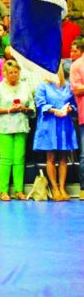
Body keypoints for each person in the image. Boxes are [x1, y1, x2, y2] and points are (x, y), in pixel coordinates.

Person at [0, 59, 35, 201]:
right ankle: (3, 191)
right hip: (4, 127)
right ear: (5, 73)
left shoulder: (25, 87)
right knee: (6, 158)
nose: (14, 75)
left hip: (21, 125)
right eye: (11, 73)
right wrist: (9, 110)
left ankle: (19, 190)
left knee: (19, 158)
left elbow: (32, 107)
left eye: (16, 72)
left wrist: (24, 108)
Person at [33, 69, 77, 201]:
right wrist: (54, 110)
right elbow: (40, 104)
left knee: (64, 157)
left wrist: (69, 109)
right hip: (49, 124)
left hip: (64, 124)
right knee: (51, 157)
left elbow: (74, 105)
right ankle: (54, 187)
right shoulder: (43, 86)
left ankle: (62, 187)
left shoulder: (68, 86)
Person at [69, 37, 84, 198]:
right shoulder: (76, 66)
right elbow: (76, 89)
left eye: (75, 50)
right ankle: (83, 188)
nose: (71, 53)